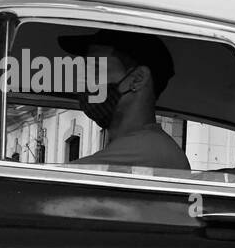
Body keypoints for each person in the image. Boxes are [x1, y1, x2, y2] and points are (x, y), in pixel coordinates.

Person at [59, 30, 191, 171]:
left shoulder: (148, 151)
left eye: (95, 69)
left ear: (137, 79)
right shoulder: (146, 146)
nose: (84, 80)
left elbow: (50, 182)